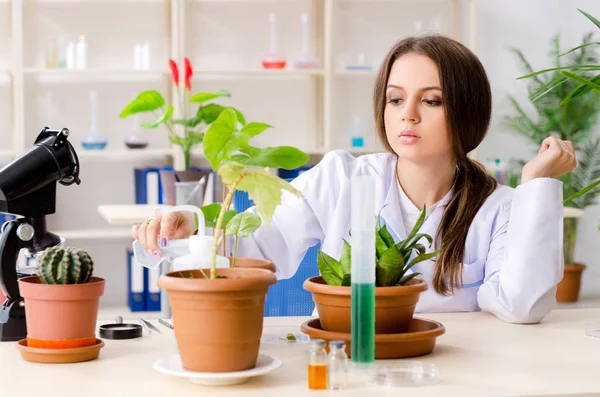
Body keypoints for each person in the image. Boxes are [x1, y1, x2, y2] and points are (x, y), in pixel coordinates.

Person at [132, 34, 576, 324]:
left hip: (448, 373)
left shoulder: (497, 206)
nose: (409, 115)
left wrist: (537, 184)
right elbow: (260, 249)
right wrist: (189, 233)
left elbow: (521, 304)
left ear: (468, 111)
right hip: (345, 360)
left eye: (433, 100)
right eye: (396, 98)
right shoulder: (342, 177)